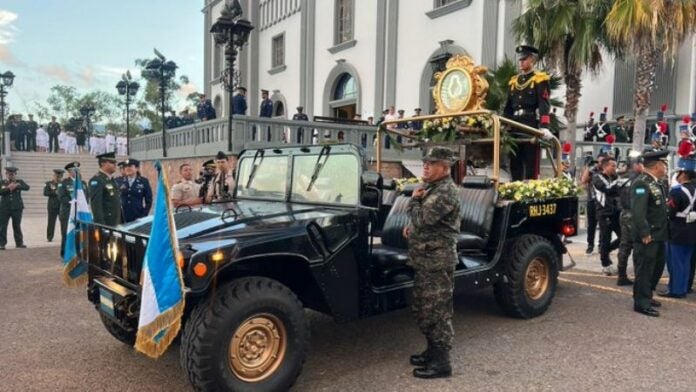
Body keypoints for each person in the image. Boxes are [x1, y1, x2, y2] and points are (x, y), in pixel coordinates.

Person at [402, 147, 460, 379]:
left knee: (437, 312)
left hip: (437, 261)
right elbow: (424, 223)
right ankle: (432, 351)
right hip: (425, 260)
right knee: (424, 308)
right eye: (424, 162)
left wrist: (413, 201)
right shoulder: (433, 187)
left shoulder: (445, 191)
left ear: (444, 168)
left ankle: (442, 363)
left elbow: (423, 218)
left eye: (431, 163)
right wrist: (412, 226)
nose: (425, 166)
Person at [503, 45, 553, 180]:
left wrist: (544, 126)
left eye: (524, 59)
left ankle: (531, 190)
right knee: (515, 162)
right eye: (520, 60)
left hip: (530, 124)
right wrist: (503, 125)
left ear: (532, 60)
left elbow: (544, 104)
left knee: (531, 162)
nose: (521, 62)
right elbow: (508, 107)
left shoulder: (540, 79)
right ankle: (515, 188)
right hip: (514, 125)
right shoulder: (514, 81)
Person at [631, 150, 670, 317]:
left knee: (657, 266)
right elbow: (638, 212)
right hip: (648, 235)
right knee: (645, 268)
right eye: (664, 164)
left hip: (659, 234)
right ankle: (641, 302)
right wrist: (645, 232)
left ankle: (647, 294)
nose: (666, 168)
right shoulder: (641, 183)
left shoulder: (656, 182)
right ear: (657, 166)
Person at [661, 155, 696, 298]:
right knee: (687, 261)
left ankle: (676, 290)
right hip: (693, 229)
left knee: (676, 262)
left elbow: (670, 212)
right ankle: (685, 286)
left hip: (678, 230)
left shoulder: (677, 191)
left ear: (683, 174)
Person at [616, 151, 644, 286]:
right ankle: (639, 276)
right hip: (635, 214)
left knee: (624, 245)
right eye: (641, 164)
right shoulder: (640, 180)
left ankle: (621, 275)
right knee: (637, 245)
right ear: (636, 165)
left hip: (623, 213)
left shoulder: (621, 177)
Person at [592, 156, 621, 275]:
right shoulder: (597, 177)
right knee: (605, 238)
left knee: (625, 236)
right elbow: (608, 189)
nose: (615, 168)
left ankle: (607, 250)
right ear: (605, 166)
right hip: (604, 212)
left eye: (616, 165)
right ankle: (605, 264)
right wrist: (620, 182)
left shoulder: (615, 177)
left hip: (616, 211)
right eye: (612, 166)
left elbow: (619, 190)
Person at [57, 162, 85, 257]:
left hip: (79, 213)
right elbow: (62, 197)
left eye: (78, 170)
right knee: (66, 233)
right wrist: (73, 202)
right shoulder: (63, 183)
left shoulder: (82, 183)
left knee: (79, 234)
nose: (77, 172)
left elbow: (86, 196)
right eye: (74, 170)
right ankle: (64, 253)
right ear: (69, 172)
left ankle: (77, 252)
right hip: (67, 212)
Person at [0, 167, 30, 250]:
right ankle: (2, 244)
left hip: (17, 208)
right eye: (9, 174)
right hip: (4, 208)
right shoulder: (2, 182)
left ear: (15, 174)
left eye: (12, 174)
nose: (11, 176)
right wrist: (8, 188)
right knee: (3, 226)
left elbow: (27, 187)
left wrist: (17, 185)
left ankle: (19, 243)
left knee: (17, 225)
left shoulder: (19, 182)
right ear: (6, 174)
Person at [89, 152, 121, 226]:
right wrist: (101, 225)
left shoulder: (111, 180)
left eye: (115, 162)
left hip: (115, 222)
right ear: (103, 163)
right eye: (112, 162)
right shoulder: (97, 180)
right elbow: (96, 205)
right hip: (106, 223)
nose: (115, 165)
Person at [581, 154, 603, 255]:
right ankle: (590, 245)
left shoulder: (606, 171)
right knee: (591, 225)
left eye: (603, 161)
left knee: (603, 225)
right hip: (592, 201)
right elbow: (583, 181)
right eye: (599, 161)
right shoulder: (592, 170)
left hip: (603, 203)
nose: (600, 164)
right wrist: (587, 166)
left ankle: (601, 246)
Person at [43, 169, 64, 242]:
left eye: (59, 176)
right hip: (52, 205)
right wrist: (55, 192)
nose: (58, 178)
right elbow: (45, 193)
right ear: (54, 176)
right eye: (56, 176)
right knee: (51, 222)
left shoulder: (63, 183)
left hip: (62, 205)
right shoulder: (49, 183)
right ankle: (49, 237)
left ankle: (64, 236)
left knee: (63, 222)